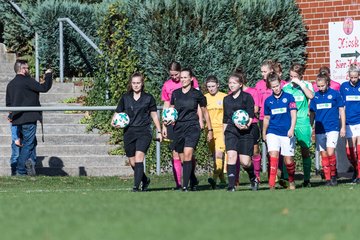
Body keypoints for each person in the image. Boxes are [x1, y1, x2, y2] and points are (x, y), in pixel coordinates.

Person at [111, 72, 162, 192]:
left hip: (144, 131)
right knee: (132, 162)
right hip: (129, 132)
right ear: (131, 84)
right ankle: (145, 180)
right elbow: (117, 113)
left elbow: (154, 116)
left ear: (142, 83)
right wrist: (113, 122)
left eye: (138, 83)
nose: (136, 85)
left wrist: (159, 131)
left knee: (139, 158)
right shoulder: (125, 98)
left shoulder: (148, 98)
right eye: (134, 83)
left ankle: (135, 186)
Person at [166, 68, 213, 191]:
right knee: (182, 158)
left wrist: (210, 129)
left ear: (191, 79)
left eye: (185, 77)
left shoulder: (197, 94)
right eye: (181, 78)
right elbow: (171, 110)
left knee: (188, 154)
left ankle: (185, 186)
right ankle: (192, 179)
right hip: (178, 128)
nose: (183, 80)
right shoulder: (175, 94)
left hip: (192, 126)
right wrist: (167, 121)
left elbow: (205, 112)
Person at [6, 59, 53, 176]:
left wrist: (12, 116)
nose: (28, 70)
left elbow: (9, 104)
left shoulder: (11, 84)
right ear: (21, 69)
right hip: (28, 118)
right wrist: (48, 74)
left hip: (17, 120)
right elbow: (44, 88)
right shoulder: (27, 81)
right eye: (26, 68)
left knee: (30, 142)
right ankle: (21, 170)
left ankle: (28, 168)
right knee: (29, 144)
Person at [161, 61, 200, 189]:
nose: (175, 77)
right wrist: (164, 124)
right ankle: (180, 183)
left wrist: (200, 120)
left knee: (188, 154)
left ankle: (188, 180)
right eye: (172, 75)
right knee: (176, 154)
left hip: (189, 122)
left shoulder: (191, 82)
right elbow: (167, 104)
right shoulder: (167, 85)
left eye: (176, 74)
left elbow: (198, 103)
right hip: (174, 123)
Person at [223, 72, 259, 192]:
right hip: (231, 130)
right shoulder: (226, 99)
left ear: (240, 84)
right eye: (230, 83)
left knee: (245, 162)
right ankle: (231, 186)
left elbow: (250, 114)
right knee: (232, 156)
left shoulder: (247, 97)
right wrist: (224, 133)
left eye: (234, 83)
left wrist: (246, 125)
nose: (231, 85)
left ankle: (253, 177)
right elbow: (225, 118)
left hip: (245, 131)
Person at [263, 72, 297, 190]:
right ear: (270, 87)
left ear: (280, 84)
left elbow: (293, 115)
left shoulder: (289, 97)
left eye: (277, 85)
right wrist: (264, 133)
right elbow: (266, 118)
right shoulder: (268, 101)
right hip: (272, 131)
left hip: (287, 132)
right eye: (273, 87)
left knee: (288, 161)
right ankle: (271, 185)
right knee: (273, 156)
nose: (276, 88)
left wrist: (291, 129)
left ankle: (291, 181)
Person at [310, 73, 345, 186]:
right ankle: (328, 179)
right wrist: (311, 127)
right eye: (318, 86)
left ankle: (334, 175)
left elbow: (341, 110)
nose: (320, 88)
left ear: (327, 83)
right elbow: (312, 113)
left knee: (330, 152)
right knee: (323, 154)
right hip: (320, 129)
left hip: (332, 127)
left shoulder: (335, 94)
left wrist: (343, 127)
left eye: (322, 86)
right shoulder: (315, 97)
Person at [283, 63, 314, 187]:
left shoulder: (306, 85)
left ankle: (307, 180)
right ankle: (287, 179)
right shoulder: (286, 87)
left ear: (301, 76)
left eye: (295, 76)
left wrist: (300, 84)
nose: (292, 79)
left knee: (305, 151)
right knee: (287, 151)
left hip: (302, 122)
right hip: (289, 122)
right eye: (291, 76)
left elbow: (311, 96)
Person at [204, 75, 227, 189]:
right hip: (209, 130)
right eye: (209, 87)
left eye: (213, 86)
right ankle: (222, 180)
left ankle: (213, 179)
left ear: (218, 85)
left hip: (221, 130)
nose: (211, 89)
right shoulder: (204, 98)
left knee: (219, 154)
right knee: (215, 156)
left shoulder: (224, 97)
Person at [340, 64, 360, 183]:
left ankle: (359, 176)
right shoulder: (344, 87)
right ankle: (357, 171)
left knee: (359, 151)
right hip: (348, 122)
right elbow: (341, 105)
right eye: (351, 77)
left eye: (355, 77)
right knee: (350, 152)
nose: (353, 80)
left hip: (359, 121)